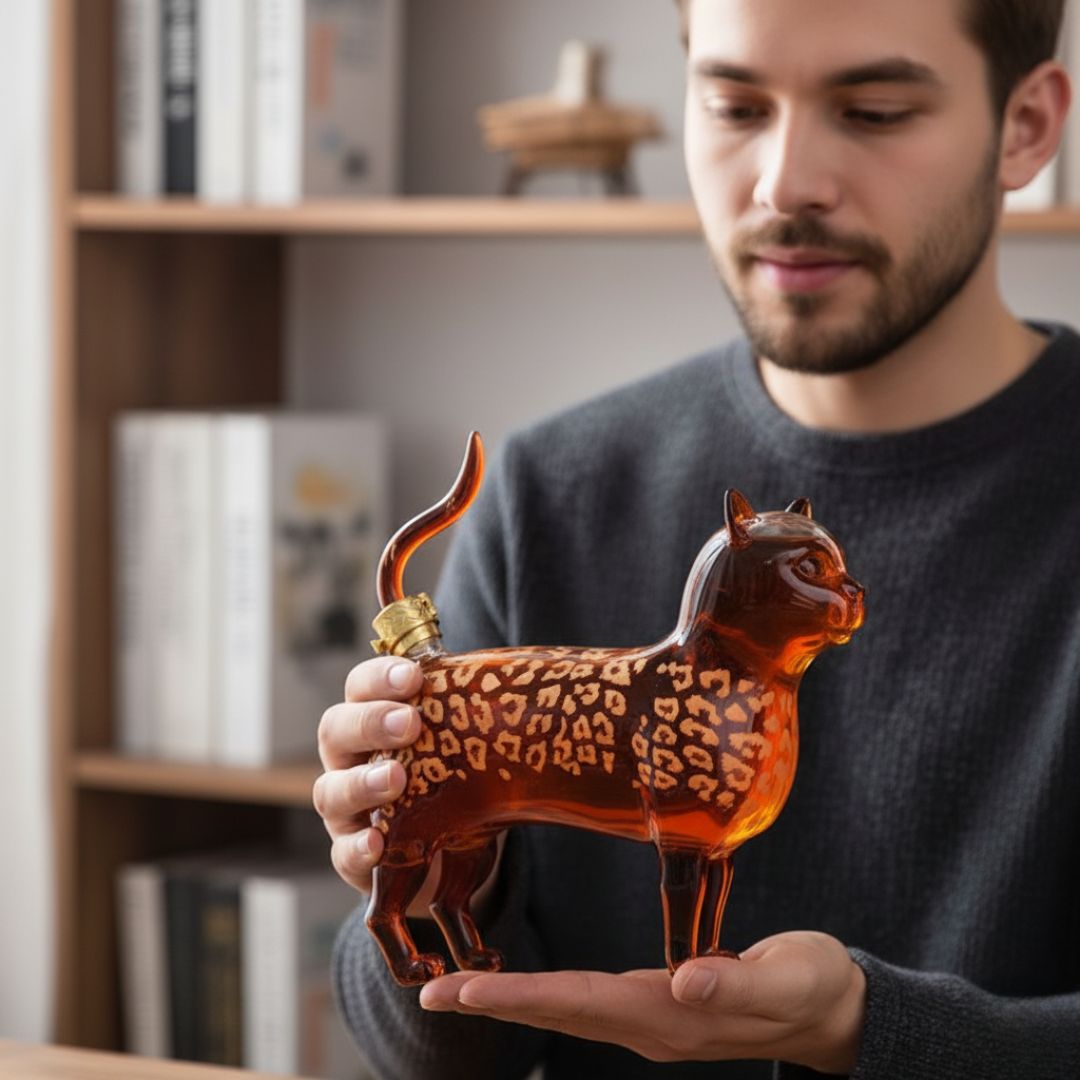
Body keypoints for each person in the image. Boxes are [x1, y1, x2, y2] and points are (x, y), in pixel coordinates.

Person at [313, 0, 1080, 1075]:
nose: (782, 182)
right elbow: (434, 1056)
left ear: (1028, 126)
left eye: (872, 109)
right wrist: (448, 867)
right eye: (733, 104)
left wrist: (874, 1029)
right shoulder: (547, 493)